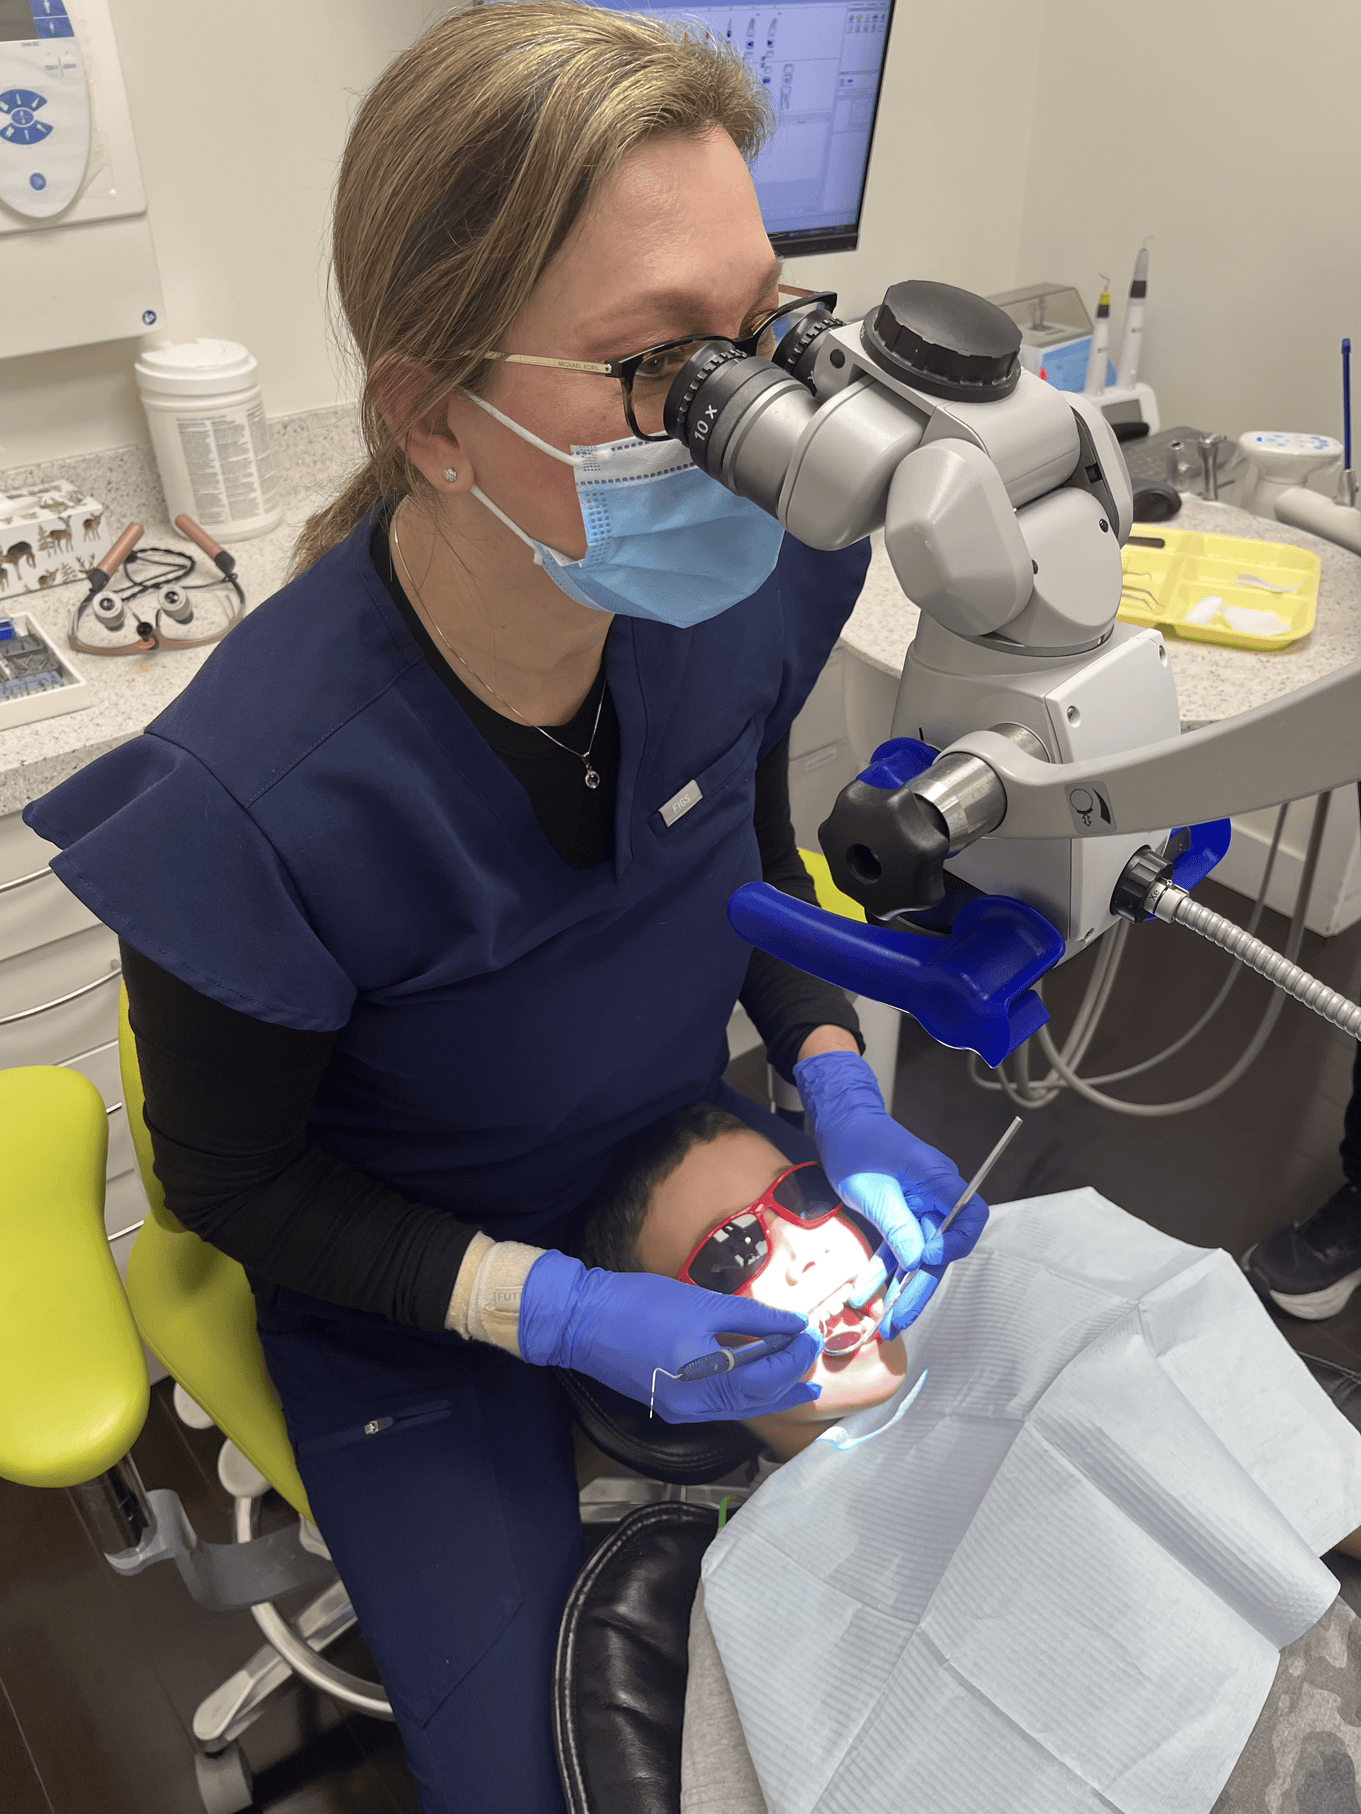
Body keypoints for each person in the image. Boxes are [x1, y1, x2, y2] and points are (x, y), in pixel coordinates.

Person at [20, 10, 987, 1809]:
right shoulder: (254, 798)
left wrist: (838, 1078)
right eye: (660, 364)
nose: (759, 431)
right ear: (432, 421)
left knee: (947, 1520)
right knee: (568, 1769)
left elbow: (749, 863)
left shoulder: (750, 590)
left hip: (674, 1143)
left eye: (763, 334)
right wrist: (540, 1309)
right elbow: (233, 1183)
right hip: (408, 1264)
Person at [577, 1100, 1361, 1814]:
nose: (805, 1255)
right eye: (730, 1255)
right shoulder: (749, 1588)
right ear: (669, 1354)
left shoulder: (1047, 1276)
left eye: (802, 1198)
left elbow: (1314, 1468)